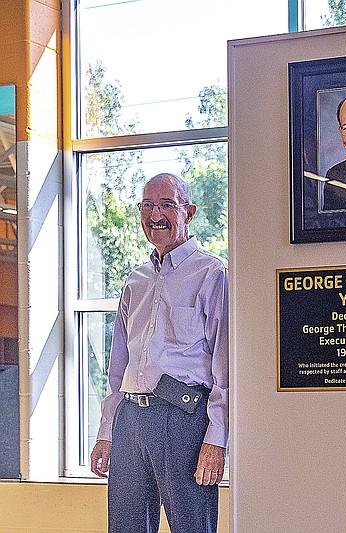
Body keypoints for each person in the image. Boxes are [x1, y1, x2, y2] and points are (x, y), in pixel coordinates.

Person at [90, 173, 229, 533]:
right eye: (148, 205)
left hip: (183, 418)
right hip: (130, 422)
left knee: (192, 528)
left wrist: (217, 438)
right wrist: (107, 430)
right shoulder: (134, 281)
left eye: (167, 204)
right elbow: (118, 367)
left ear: (190, 212)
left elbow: (226, 366)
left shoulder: (212, 274)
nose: (156, 215)